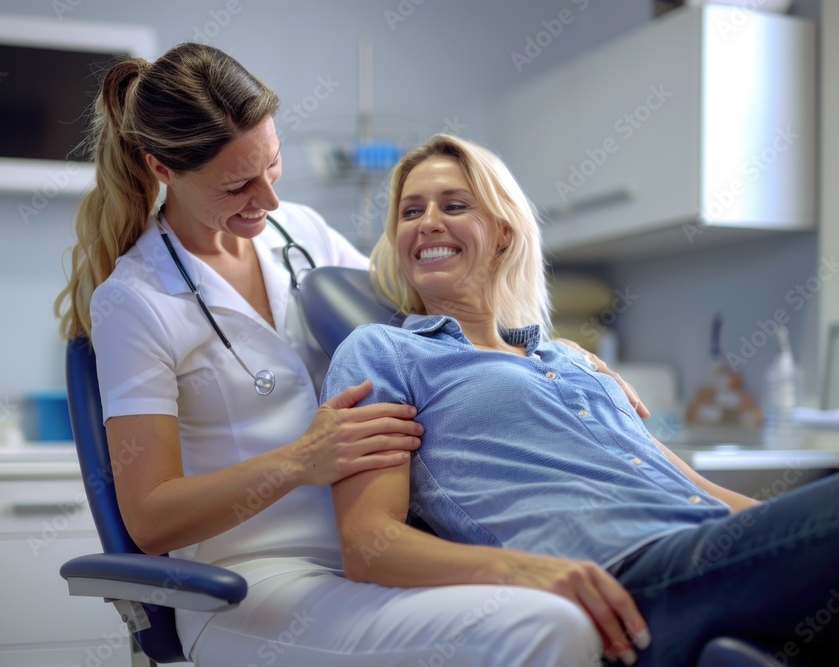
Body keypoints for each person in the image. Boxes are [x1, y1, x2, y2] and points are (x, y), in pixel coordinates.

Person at [53, 43, 633, 666]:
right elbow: (149, 518)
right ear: (162, 169)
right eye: (237, 185)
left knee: (590, 602)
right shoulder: (134, 302)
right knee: (544, 627)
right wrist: (302, 460)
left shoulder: (298, 232)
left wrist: (550, 352)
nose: (268, 200)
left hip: (388, 548)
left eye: (272, 167)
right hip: (254, 584)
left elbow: (438, 327)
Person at [320, 133, 839, 667]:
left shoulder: (568, 359)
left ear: (502, 232)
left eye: (454, 205)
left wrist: (792, 527)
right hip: (630, 577)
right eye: (410, 212)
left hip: (715, 547)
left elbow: (693, 486)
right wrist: (523, 570)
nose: (428, 221)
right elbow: (368, 544)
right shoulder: (384, 352)